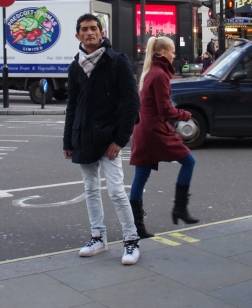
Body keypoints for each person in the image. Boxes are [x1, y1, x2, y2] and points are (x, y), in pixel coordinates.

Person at [63, 14, 142, 265]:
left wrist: (120, 140)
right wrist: (68, 141)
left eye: (94, 29)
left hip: (109, 138)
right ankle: (98, 237)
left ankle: (131, 240)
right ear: (77, 35)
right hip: (83, 136)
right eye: (84, 29)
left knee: (117, 192)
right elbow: (72, 105)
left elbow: (132, 104)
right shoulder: (75, 65)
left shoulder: (117, 62)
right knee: (91, 189)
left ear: (101, 32)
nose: (89, 33)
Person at [129, 36, 199, 238]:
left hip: (144, 128)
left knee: (140, 178)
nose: (174, 55)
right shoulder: (160, 75)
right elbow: (165, 109)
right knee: (189, 161)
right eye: (173, 51)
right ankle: (180, 208)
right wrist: (185, 115)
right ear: (163, 54)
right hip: (155, 130)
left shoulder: (150, 72)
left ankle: (137, 226)